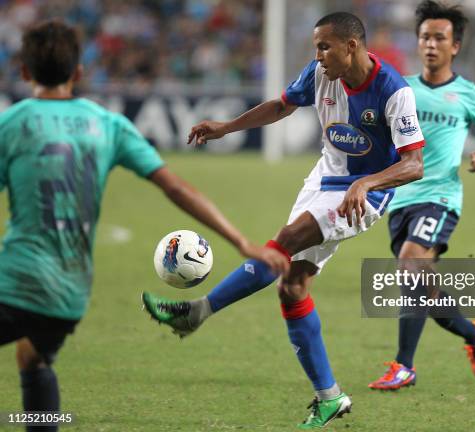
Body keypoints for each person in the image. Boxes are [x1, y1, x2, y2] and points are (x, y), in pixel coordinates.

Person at [0, 20, 288, 432]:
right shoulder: (108, 124)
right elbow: (177, 188)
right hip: (67, 295)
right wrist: (242, 243)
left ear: (24, 72)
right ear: (79, 73)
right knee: (32, 357)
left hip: (14, 280)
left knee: (31, 355)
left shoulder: (10, 125)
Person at [142, 12, 425, 429]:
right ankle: (330, 398)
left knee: (286, 240)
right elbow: (281, 106)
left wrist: (366, 184)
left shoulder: (394, 91)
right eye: (316, 46)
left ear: (352, 46)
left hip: (364, 195)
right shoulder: (319, 73)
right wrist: (226, 128)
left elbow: (414, 164)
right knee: (291, 286)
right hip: (324, 179)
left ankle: (196, 312)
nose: (318, 54)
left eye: (325, 46)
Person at [367, 0, 475, 391]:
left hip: (442, 197)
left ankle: (404, 366)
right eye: (425, 37)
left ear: (455, 46)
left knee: (411, 264)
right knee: (423, 290)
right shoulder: (400, 89)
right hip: (399, 200)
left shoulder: (469, 94)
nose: (431, 44)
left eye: (439, 38)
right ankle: (472, 332)